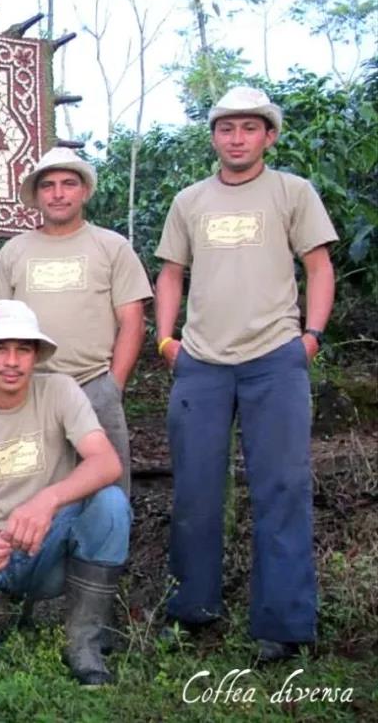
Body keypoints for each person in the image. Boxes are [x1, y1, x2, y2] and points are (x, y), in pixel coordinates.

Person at [154, 86, 337, 662]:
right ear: (213, 136)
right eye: (226, 128)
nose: (237, 138)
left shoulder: (291, 192)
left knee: (281, 488)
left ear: (269, 136)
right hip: (201, 364)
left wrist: (310, 337)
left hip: (275, 359)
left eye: (249, 128)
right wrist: (166, 340)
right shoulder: (189, 200)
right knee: (196, 490)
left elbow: (318, 265)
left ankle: (282, 625)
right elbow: (170, 272)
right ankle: (193, 608)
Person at [0, 299, 131, 686]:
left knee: (111, 503)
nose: (12, 361)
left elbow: (106, 463)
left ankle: (84, 640)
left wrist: (47, 500)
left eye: (23, 349)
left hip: (49, 545)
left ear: (36, 355)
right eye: (0, 348)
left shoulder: (60, 391)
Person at [0, 147, 151, 495]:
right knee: (27, 490)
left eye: (68, 184)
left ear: (84, 191)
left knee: (107, 493)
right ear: (37, 195)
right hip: (28, 388)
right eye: (49, 185)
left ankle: (101, 551)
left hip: (93, 384)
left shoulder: (111, 247)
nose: (58, 193)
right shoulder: (14, 251)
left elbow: (133, 322)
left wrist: (112, 385)